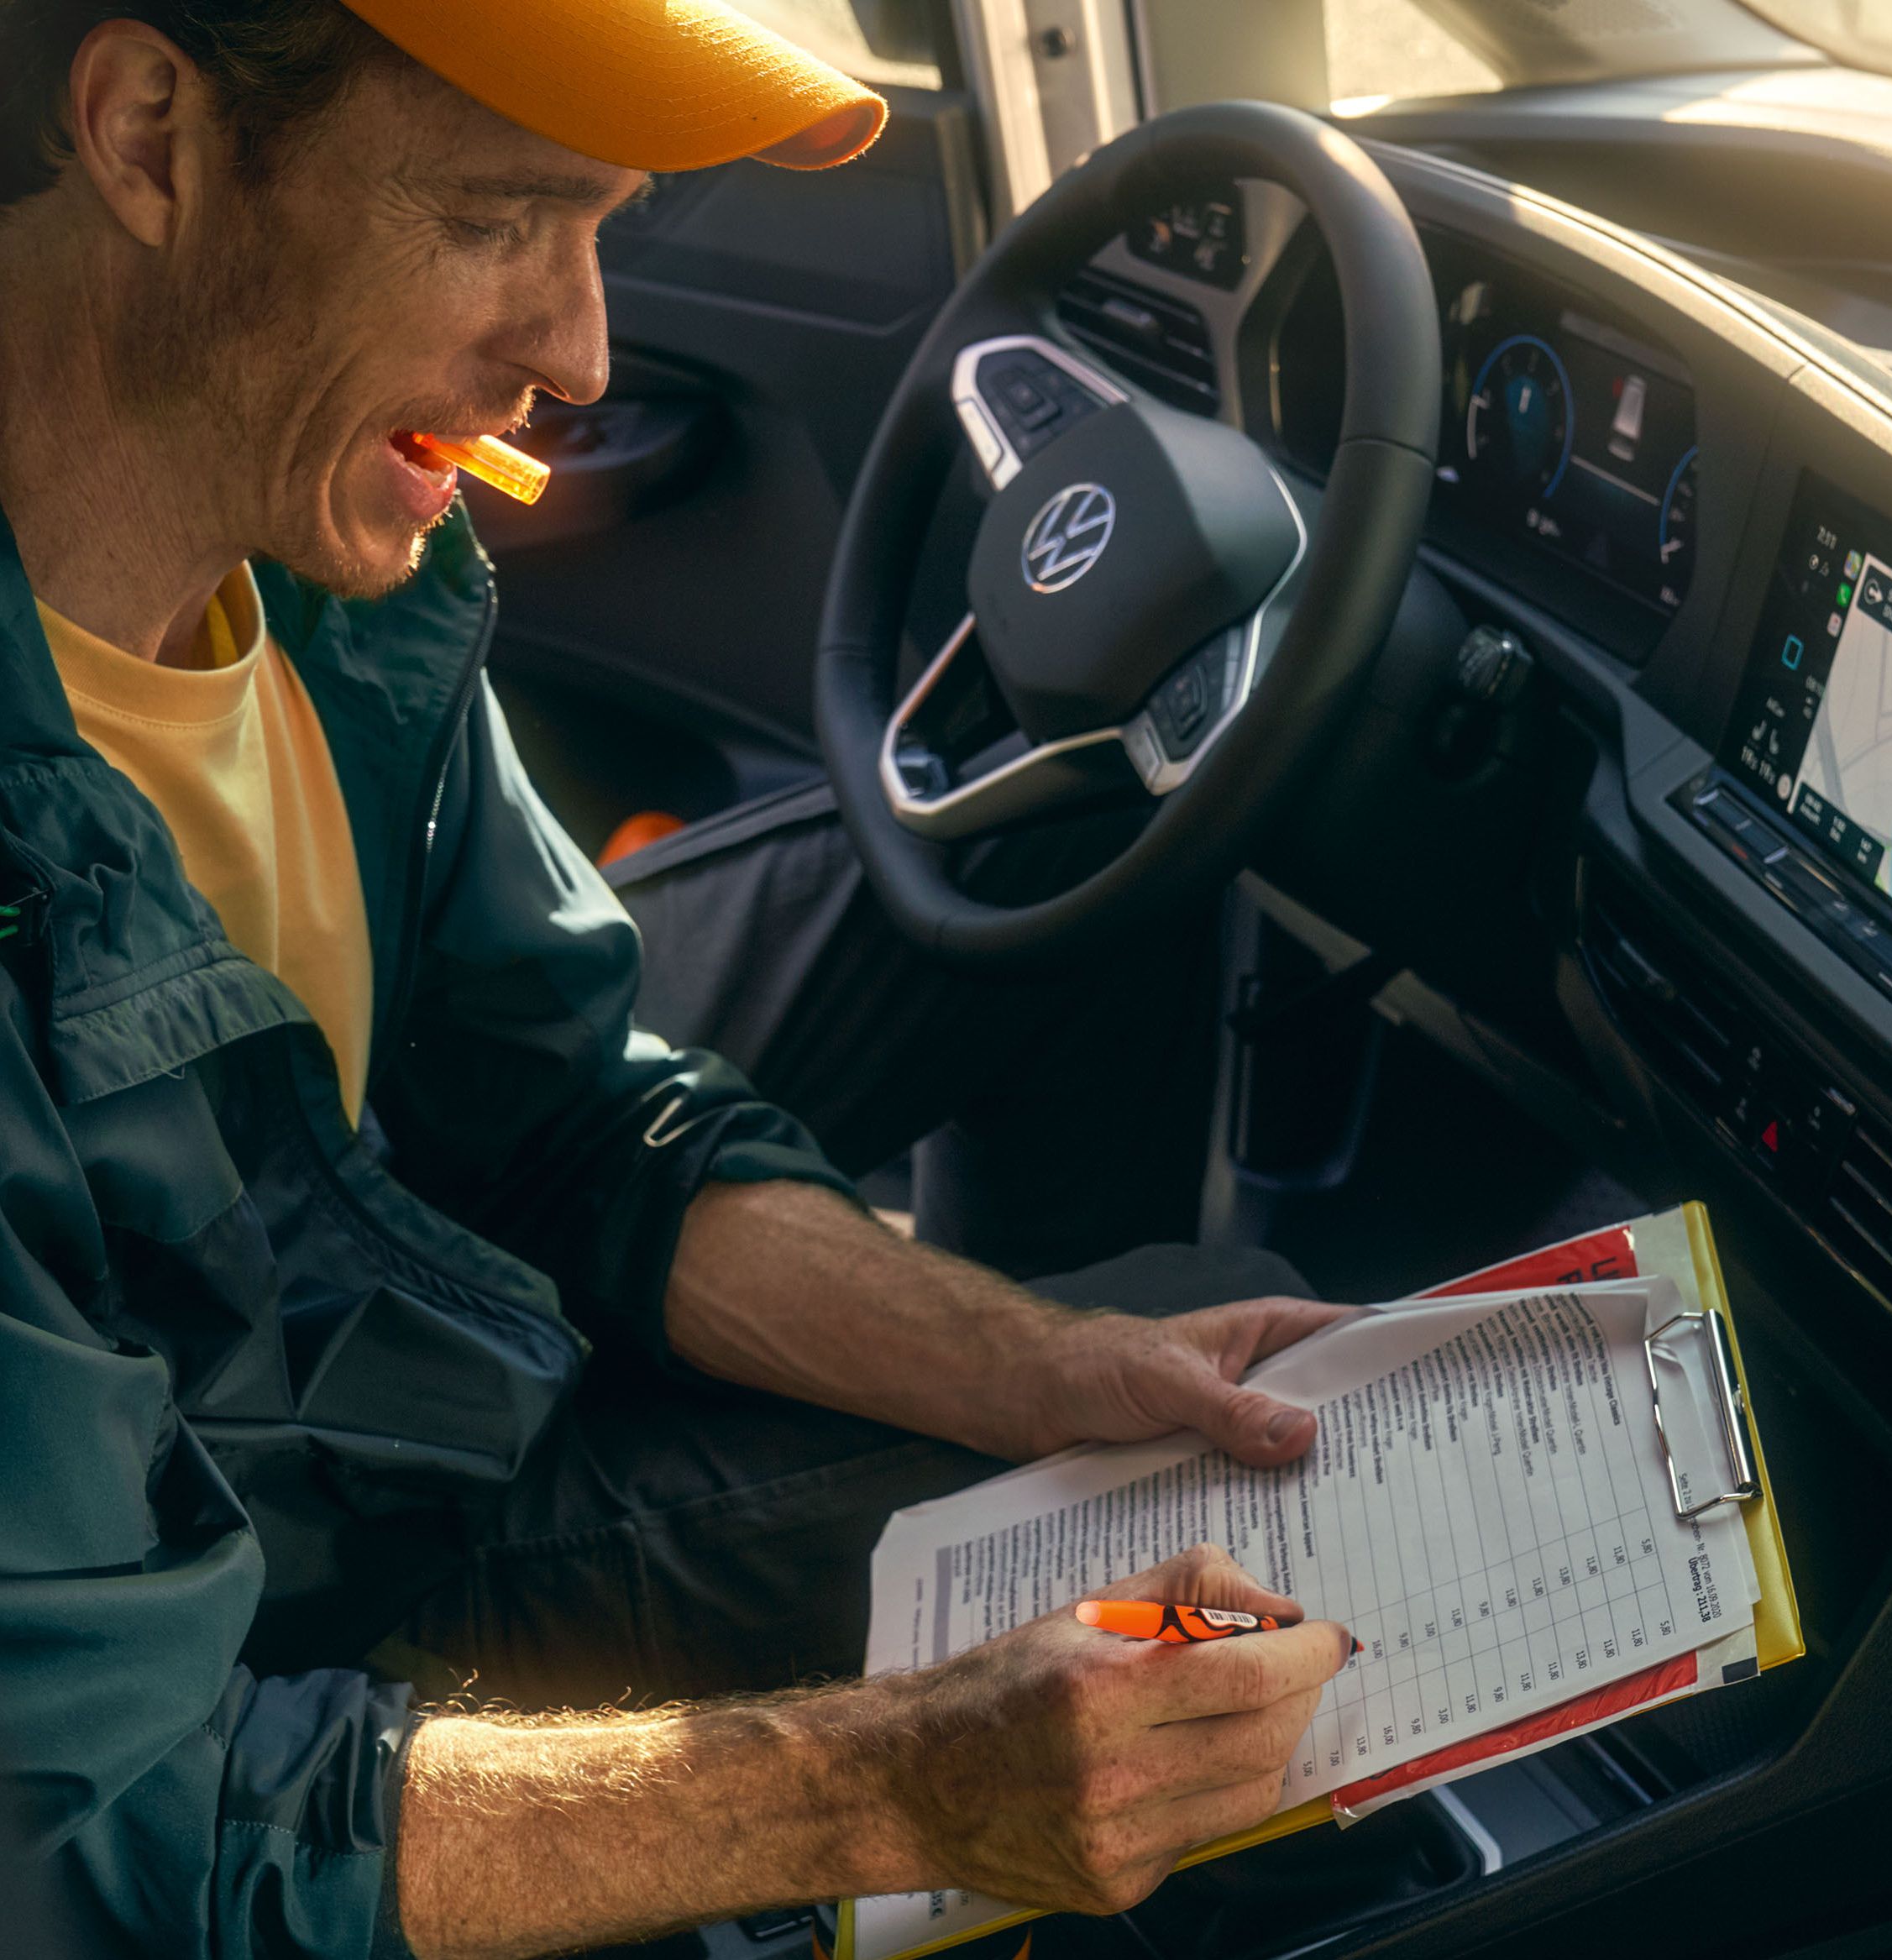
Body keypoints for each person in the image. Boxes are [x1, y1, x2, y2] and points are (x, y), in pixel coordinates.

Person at [0, 4, 1354, 1956]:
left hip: (390, 1295)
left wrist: (1035, 1361)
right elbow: (107, 1845)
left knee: (1036, 859)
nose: (581, 356)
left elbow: (567, 1112)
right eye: (496, 218)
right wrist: (895, 1778)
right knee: (1216, 1597)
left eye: (607, 229)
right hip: (277, 1618)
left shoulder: (304, 554)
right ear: (146, 134)